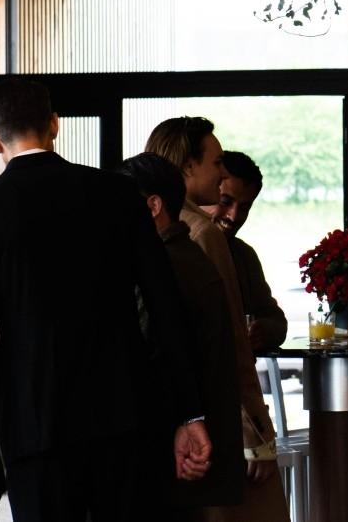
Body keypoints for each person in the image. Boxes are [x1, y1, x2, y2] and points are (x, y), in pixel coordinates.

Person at [0, 79, 211, 522]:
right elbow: (166, 309)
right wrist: (189, 414)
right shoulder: (119, 196)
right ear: (54, 125)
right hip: (125, 419)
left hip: (33, 426)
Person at [145, 118, 287, 522]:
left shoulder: (147, 227)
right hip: (217, 416)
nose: (222, 173)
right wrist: (255, 430)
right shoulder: (201, 232)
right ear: (187, 166)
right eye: (216, 162)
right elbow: (229, 344)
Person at [118, 153, 245, 518]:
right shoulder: (186, 255)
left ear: (153, 205)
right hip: (186, 445)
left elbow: (152, 354)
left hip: (170, 449)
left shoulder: (164, 265)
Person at [201, 151, 288, 354]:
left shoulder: (244, 255)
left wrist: (265, 329)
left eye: (244, 207)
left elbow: (276, 320)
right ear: (206, 192)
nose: (233, 215)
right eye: (225, 202)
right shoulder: (182, 249)